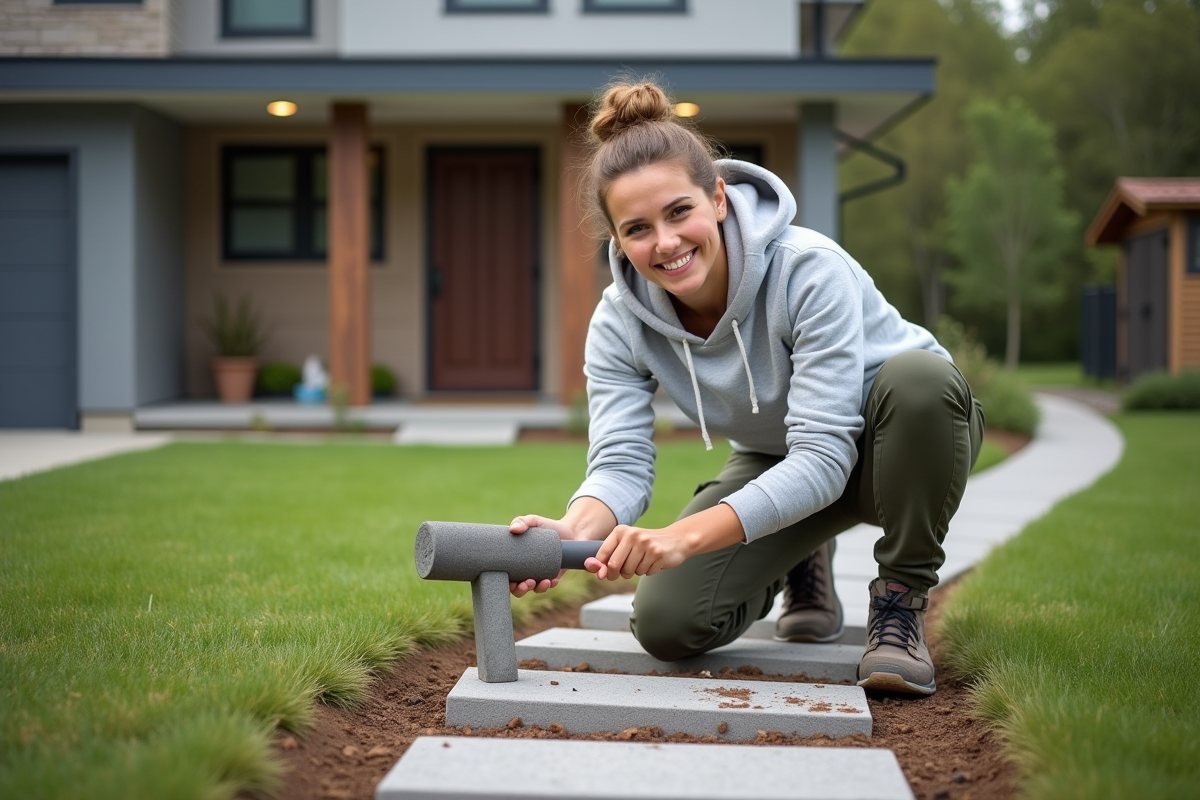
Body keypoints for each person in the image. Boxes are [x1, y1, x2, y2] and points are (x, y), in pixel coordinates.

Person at [510, 79, 984, 697]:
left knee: (919, 381)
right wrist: (576, 528)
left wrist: (680, 537)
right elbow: (621, 464)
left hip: (903, 439)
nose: (667, 243)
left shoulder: (808, 270)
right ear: (617, 241)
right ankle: (799, 554)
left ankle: (900, 601)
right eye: (638, 228)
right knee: (667, 624)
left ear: (719, 198)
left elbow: (825, 456)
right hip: (781, 456)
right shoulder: (618, 321)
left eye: (680, 211)